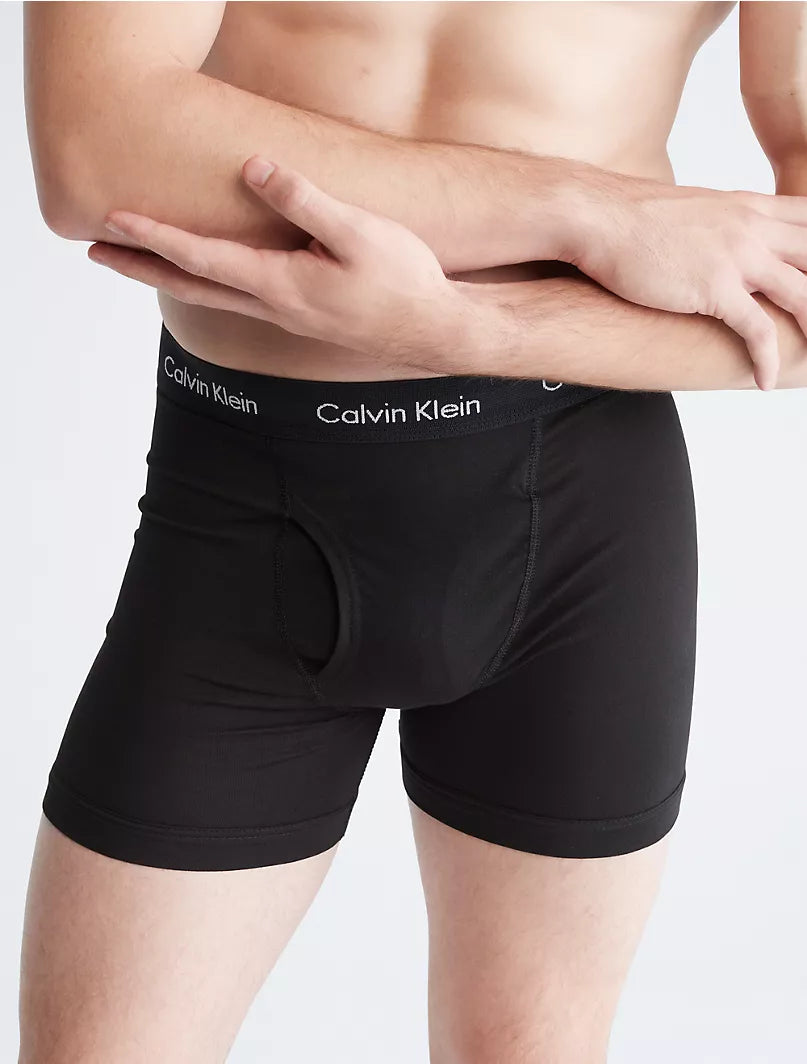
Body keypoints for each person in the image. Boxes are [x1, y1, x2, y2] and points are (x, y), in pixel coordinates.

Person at [19, 2, 807, 1062]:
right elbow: (94, 143)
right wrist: (586, 212)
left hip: (576, 515)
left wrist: (467, 328)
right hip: (241, 507)